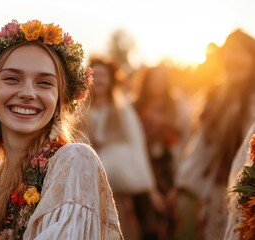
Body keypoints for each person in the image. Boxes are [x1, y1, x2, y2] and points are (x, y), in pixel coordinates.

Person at [0, 20, 123, 239]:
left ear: (59, 99)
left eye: (44, 83)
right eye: (12, 79)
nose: (28, 92)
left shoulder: (75, 163)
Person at [175, 29, 255, 240]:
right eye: (229, 53)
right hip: (218, 191)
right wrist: (182, 185)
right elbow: (202, 145)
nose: (233, 59)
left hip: (248, 195)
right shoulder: (215, 96)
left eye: (240, 53)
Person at [81, 56, 157, 240]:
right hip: (88, 178)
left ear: (111, 79)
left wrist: (148, 184)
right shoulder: (80, 110)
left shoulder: (121, 109)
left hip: (118, 179)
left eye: (103, 75)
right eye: (95, 75)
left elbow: (136, 143)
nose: (98, 80)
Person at [132, 66, 191, 240]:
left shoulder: (177, 105)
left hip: (170, 167)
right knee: (148, 223)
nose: (157, 83)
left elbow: (185, 138)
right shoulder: (135, 106)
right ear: (146, 82)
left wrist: (179, 180)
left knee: (169, 220)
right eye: (153, 79)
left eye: (161, 80)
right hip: (143, 167)